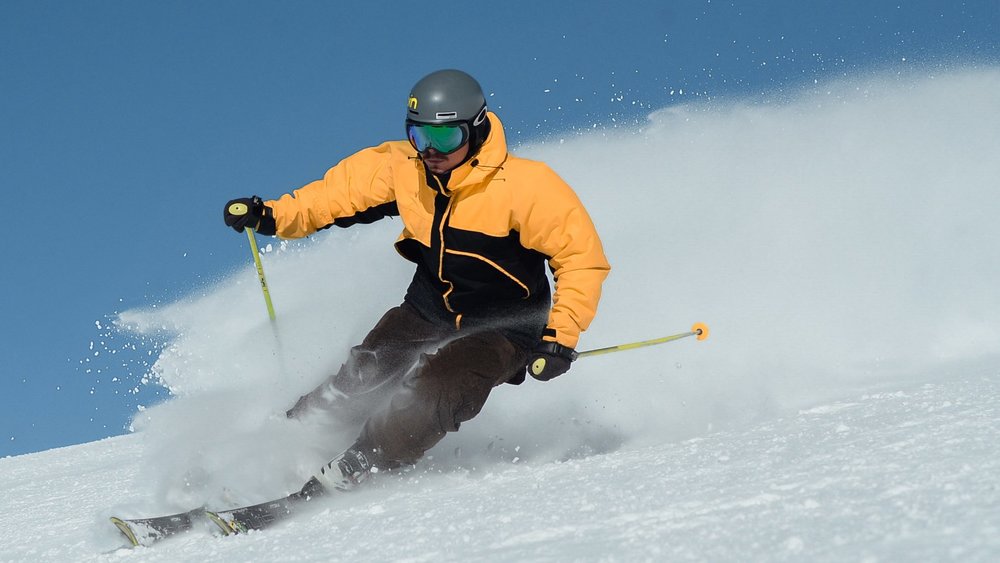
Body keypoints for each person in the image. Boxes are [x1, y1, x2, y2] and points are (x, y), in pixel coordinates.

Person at [223, 69, 610, 494]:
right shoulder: (405, 168)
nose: (430, 151)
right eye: (419, 136)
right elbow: (335, 196)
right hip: (431, 307)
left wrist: (560, 337)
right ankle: (287, 442)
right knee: (366, 372)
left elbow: (581, 259)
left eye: (443, 139)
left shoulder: (527, 187)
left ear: (476, 129)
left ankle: (364, 460)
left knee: (436, 387)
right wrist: (274, 215)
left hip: (507, 324)